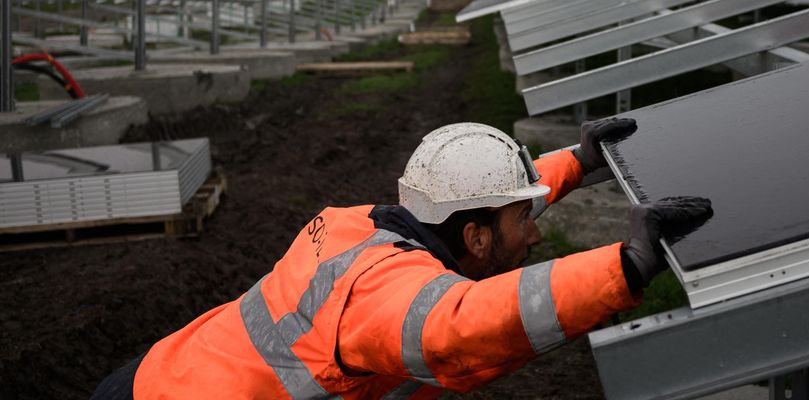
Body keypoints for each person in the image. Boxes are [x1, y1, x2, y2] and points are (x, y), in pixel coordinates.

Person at [91, 118, 712, 400]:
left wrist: (575, 162)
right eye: (528, 221)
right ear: (472, 239)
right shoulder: (386, 296)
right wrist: (626, 265)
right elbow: (457, 328)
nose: (536, 235)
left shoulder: (352, 226)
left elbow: (485, 209)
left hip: (157, 374)